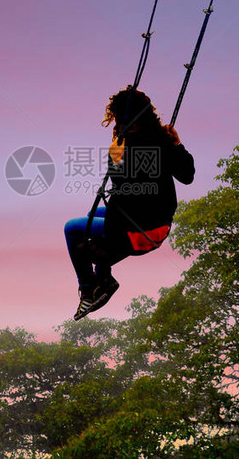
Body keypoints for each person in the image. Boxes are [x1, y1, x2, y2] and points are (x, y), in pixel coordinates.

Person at [64, 86, 195, 320]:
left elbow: (125, 190)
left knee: (72, 228)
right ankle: (103, 278)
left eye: (115, 117)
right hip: (160, 224)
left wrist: (115, 159)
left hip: (141, 231)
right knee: (92, 215)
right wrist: (177, 145)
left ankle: (89, 290)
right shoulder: (161, 138)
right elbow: (187, 176)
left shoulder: (131, 145)